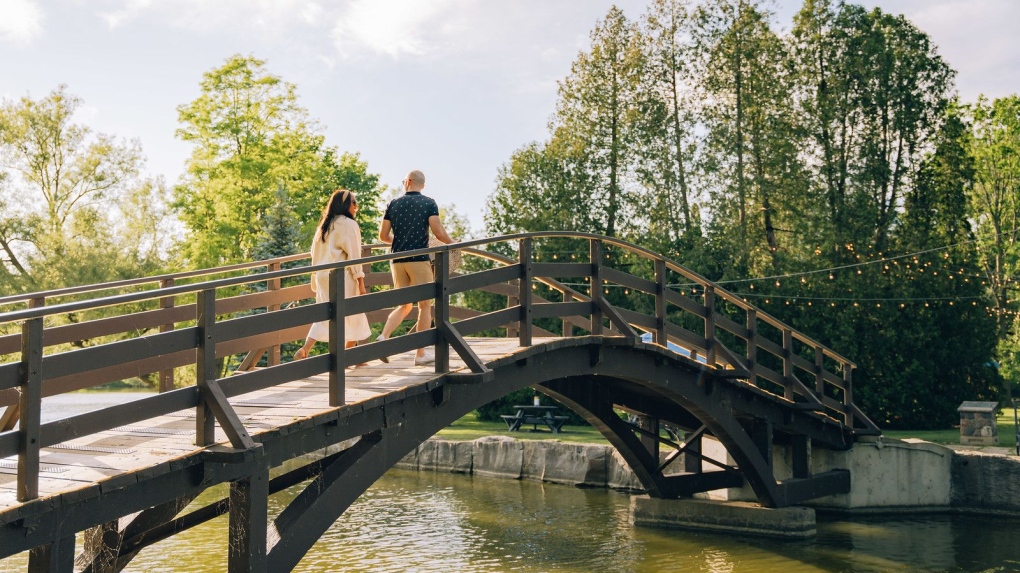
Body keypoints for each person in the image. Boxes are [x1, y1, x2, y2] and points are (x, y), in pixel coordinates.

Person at [376, 170, 454, 365]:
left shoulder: (393, 203)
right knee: (425, 305)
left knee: (404, 305)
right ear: (422, 185)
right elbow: (438, 231)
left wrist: (400, 241)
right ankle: (420, 354)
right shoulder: (428, 203)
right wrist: (452, 243)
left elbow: (383, 236)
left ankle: (383, 337)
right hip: (419, 259)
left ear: (408, 182)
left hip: (397, 260)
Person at [295, 188, 371, 361]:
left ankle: (306, 348)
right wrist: (360, 280)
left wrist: (314, 279)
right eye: (353, 202)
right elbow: (353, 255)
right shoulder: (348, 224)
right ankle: (347, 357)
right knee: (353, 313)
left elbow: (314, 253)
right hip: (341, 277)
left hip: (323, 276)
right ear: (345, 205)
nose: (356, 207)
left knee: (327, 314)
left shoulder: (324, 225)